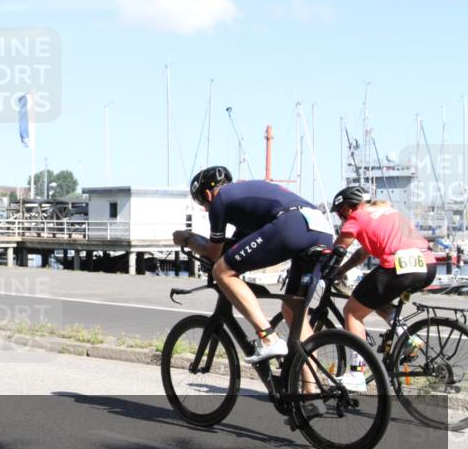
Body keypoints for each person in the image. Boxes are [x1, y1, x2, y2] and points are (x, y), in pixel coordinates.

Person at [173, 166, 335, 364]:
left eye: (201, 202)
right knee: (293, 311)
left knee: (222, 272)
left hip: (292, 223)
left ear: (207, 193)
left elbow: (215, 255)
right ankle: (309, 390)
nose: (205, 208)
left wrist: (187, 240)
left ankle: (268, 337)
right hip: (322, 229)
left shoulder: (219, 200)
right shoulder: (245, 198)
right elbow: (233, 249)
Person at [329, 186, 437, 391]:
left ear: (348, 208)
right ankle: (409, 337)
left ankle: (356, 374)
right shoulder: (387, 212)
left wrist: (325, 269)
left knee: (351, 312)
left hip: (400, 266)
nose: (341, 217)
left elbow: (338, 248)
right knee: (372, 299)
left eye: (340, 212)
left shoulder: (357, 216)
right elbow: (361, 254)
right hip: (428, 266)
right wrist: (343, 270)